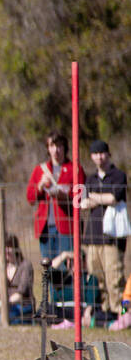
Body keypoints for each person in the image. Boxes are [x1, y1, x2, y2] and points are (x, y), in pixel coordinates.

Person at [77, 139, 126, 324]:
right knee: (97, 276)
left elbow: (114, 197)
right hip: (93, 235)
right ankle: (105, 312)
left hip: (113, 236)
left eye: (102, 153)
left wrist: (94, 197)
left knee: (114, 276)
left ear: (108, 154)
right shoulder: (90, 179)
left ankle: (121, 313)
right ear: (91, 156)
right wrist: (100, 198)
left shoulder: (118, 175)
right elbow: (83, 203)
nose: (99, 157)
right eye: (95, 153)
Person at [26, 132, 85, 265]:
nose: (56, 150)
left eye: (59, 146)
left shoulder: (75, 169)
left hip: (67, 228)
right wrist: (40, 186)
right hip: (46, 229)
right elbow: (30, 198)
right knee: (49, 269)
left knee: (67, 269)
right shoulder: (40, 170)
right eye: (52, 146)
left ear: (64, 147)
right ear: (48, 148)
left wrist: (63, 195)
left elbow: (81, 199)